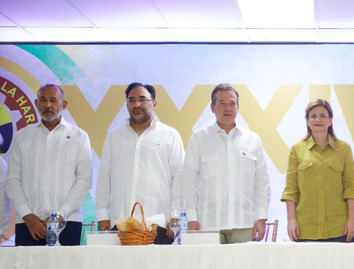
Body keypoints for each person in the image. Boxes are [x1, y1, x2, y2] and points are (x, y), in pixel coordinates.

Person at [96, 82, 184, 244]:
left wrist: (175, 217)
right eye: (131, 100)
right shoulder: (114, 137)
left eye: (143, 99)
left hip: (157, 224)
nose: (137, 104)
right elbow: (103, 179)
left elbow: (179, 179)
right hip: (120, 223)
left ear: (154, 103)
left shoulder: (170, 135)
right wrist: (102, 216)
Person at [183, 83, 270, 243]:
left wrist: (261, 217)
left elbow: (262, 182)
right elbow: (188, 181)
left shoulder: (253, 140)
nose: (227, 108)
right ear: (212, 107)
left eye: (232, 103)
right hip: (207, 225)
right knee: (208, 268)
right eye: (222, 103)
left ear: (238, 107)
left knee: (243, 268)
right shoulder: (199, 139)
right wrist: (191, 217)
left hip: (244, 224)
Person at [7, 84, 92, 246]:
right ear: (36, 103)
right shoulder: (22, 137)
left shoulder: (79, 137)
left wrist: (60, 215)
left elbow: (84, 181)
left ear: (63, 104)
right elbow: (12, 181)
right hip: (28, 223)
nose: (48, 105)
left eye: (53, 100)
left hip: (68, 221)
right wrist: (28, 216)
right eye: (43, 100)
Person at [281, 98, 354, 242]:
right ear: (307, 120)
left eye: (323, 115)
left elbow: (351, 189)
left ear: (330, 120)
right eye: (313, 116)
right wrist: (291, 221)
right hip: (306, 229)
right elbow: (291, 190)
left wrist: (351, 220)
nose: (318, 119)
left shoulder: (343, 149)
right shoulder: (296, 149)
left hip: (338, 229)